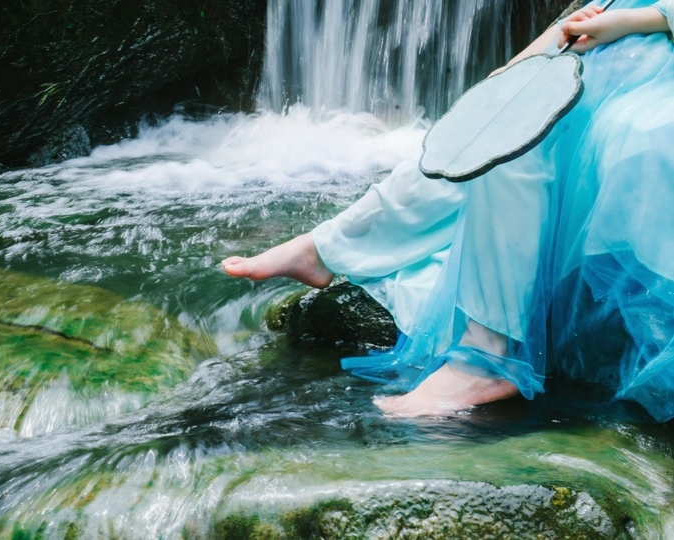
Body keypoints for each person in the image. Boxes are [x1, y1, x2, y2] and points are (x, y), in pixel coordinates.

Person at [223, 0, 674, 423]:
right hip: (617, 40)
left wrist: (636, 21)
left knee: (522, 131)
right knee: (492, 116)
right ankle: (326, 247)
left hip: (647, 57)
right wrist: (530, 57)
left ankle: (487, 357)